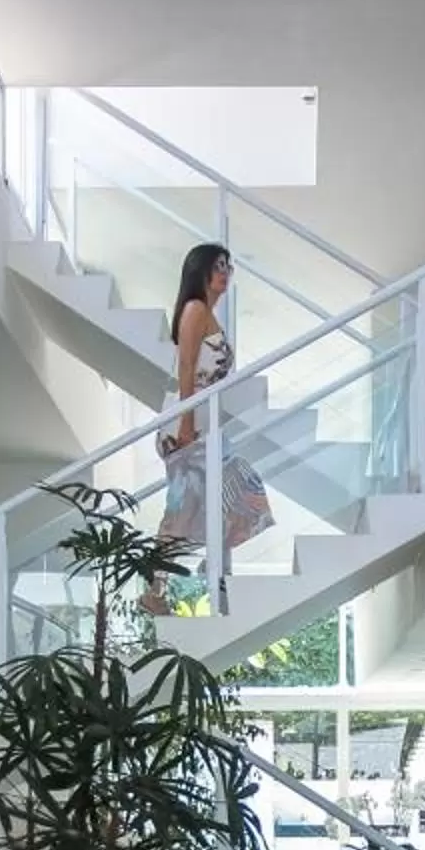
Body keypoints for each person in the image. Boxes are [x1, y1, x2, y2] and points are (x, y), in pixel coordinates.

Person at [144, 241, 271, 614]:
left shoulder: (208, 314)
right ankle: (162, 587)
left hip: (201, 420)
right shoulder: (195, 310)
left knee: (226, 493)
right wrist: (185, 421)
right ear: (200, 270)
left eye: (229, 266)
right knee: (193, 504)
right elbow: (185, 368)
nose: (225, 272)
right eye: (219, 265)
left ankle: (183, 575)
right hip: (186, 419)